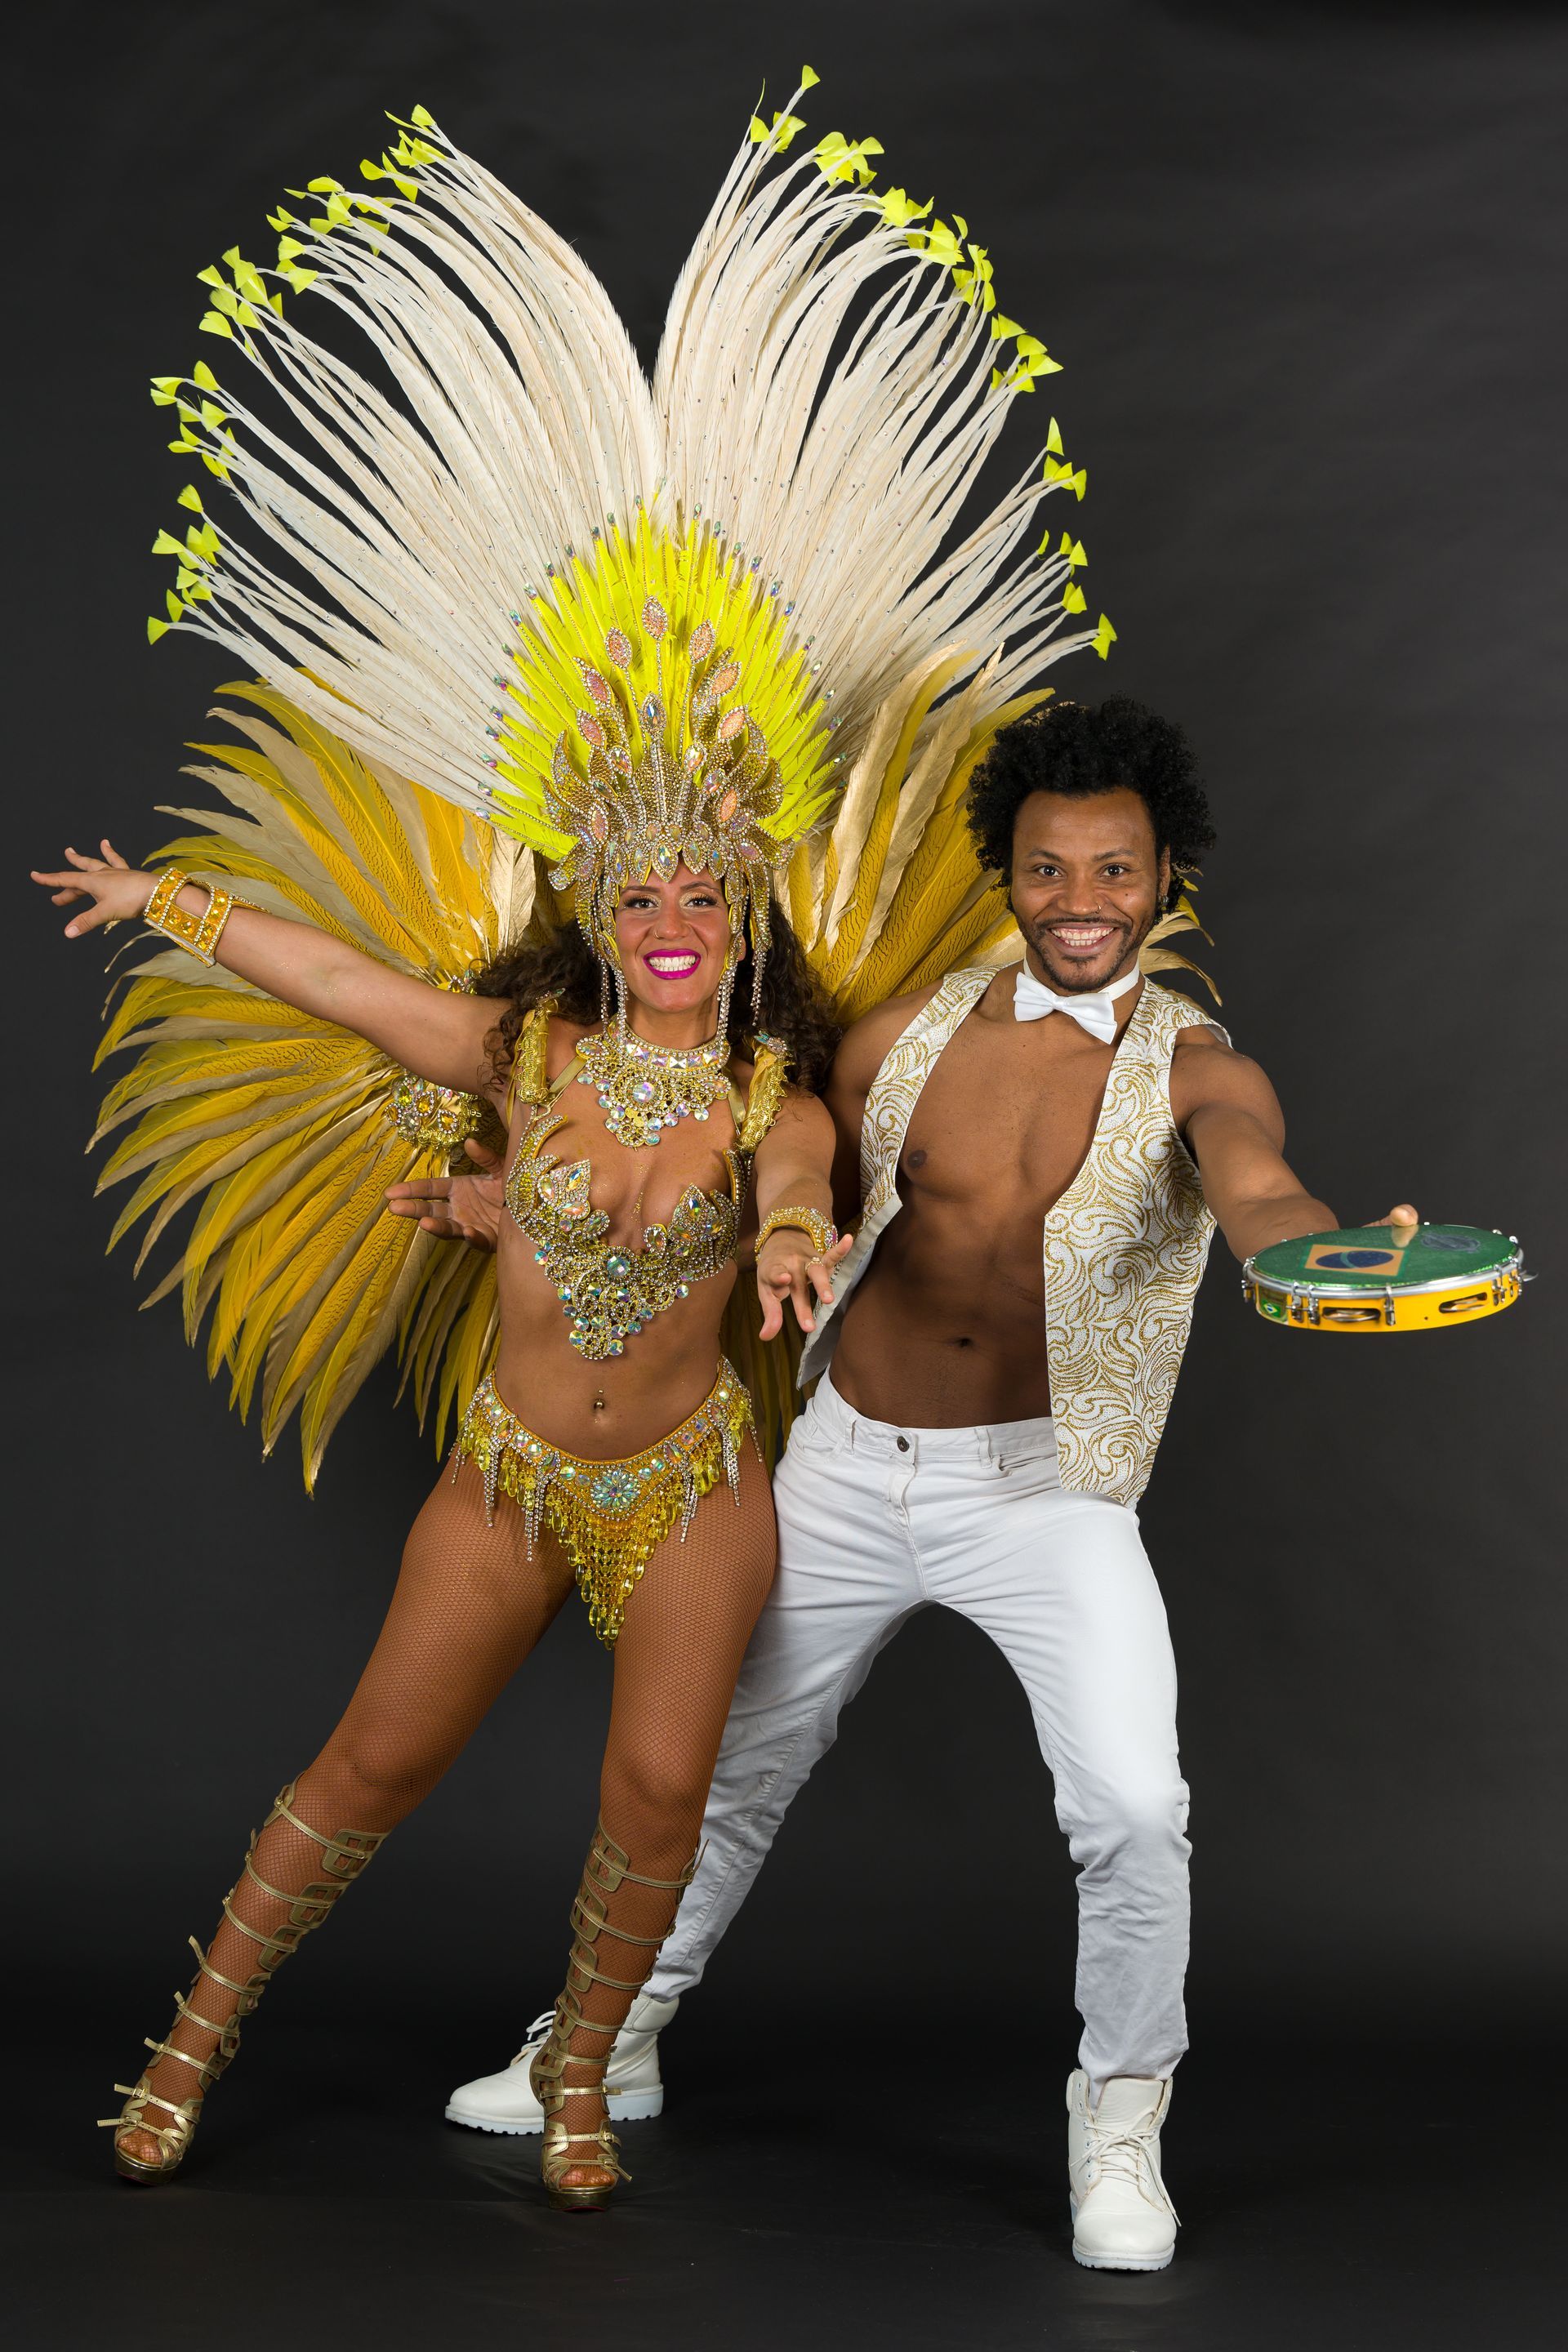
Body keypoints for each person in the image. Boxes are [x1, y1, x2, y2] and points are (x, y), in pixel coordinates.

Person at [35, 82, 1107, 2211]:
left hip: (686, 1485)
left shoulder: (773, 1099)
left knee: (656, 1788)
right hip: (512, 1478)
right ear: (602, 921)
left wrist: (799, 1256)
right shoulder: (514, 1055)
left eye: (711, 901)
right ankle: (182, 2047)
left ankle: (590, 2073)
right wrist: (160, 905)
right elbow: (337, 982)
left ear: (744, 919)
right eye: (646, 903)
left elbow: (802, 1196)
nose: (682, 925)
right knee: (374, 1760)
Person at [443, 694, 1419, 2269]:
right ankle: (603, 2039)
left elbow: (1258, 1181)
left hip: (1050, 1492)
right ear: (1009, 876)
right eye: (1050, 870)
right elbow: (733, 1115)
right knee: (719, 1768)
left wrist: (1313, 1252)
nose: (1082, 902)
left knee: (1134, 1808)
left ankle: (1119, 2123)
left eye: (1115, 871)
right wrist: (519, 1194)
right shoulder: (904, 1035)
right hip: (839, 1466)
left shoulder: (1197, 1067)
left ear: (1164, 882)